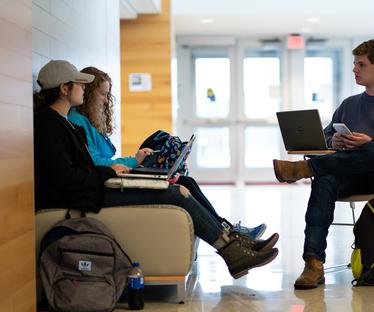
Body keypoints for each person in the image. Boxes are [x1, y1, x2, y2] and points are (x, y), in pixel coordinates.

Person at [33, 59, 278, 279]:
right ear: (64, 88)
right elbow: (67, 178)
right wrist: (110, 172)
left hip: (94, 190)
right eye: (79, 84)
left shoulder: (62, 123)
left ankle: (233, 247)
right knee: (173, 192)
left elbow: (80, 170)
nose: (84, 88)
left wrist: (111, 173)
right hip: (87, 197)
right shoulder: (49, 126)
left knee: (176, 186)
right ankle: (233, 252)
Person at [273, 40, 374, 289]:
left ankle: (305, 169)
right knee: (325, 179)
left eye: (361, 64)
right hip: (354, 175)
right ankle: (313, 263)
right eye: (354, 64)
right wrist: (337, 141)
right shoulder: (349, 104)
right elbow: (324, 138)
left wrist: (371, 142)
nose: (355, 69)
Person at [67, 66, 266, 239]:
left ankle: (228, 229)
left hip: (111, 174)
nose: (105, 100)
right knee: (180, 183)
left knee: (186, 180)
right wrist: (134, 161)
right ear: (89, 93)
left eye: (107, 94)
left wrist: (139, 159)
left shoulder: (89, 120)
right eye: (102, 94)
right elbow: (95, 162)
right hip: (106, 181)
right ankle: (229, 233)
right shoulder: (77, 121)